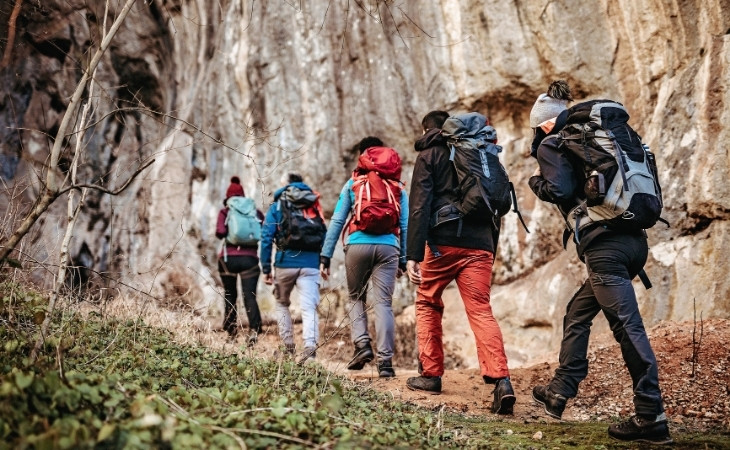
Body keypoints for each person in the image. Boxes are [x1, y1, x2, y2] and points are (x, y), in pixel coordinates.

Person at [527, 80, 672, 444]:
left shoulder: (553, 141)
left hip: (605, 248)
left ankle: (650, 415)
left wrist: (535, 183)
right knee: (578, 311)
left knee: (627, 327)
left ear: (546, 123)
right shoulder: (608, 136)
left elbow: (558, 190)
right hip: (633, 241)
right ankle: (560, 389)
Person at [405, 111, 516, 415]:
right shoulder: (480, 150)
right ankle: (501, 380)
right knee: (480, 309)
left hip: (443, 243)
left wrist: (412, 254)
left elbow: (419, 205)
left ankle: (430, 375)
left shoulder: (430, 154)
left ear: (428, 128)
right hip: (480, 244)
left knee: (428, 301)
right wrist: (488, 248)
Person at [319, 136, 408, 378]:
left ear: (363, 156)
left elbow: (337, 220)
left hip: (357, 246)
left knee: (356, 296)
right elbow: (405, 224)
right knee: (383, 304)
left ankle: (362, 345)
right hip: (389, 248)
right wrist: (404, 259)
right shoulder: (398, 187)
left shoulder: (353, 184)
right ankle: (386, 363)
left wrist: (325, 255)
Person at [260, 173, 327, 363]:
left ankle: (288, 347)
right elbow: (324, 234)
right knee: (309, 308)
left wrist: (266, 268)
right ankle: (310, 350)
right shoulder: (313, 203)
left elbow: (266, 237)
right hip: (311, 264)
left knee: (282, 303)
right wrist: (324, 261)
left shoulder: (278, 205)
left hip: (284, 263)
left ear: (287, 185)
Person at [215, 176, 263, 345]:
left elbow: (220, 232)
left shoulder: (226, 211)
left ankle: (232, 333)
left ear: (228, 197)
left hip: (228, 259)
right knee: (249, 295)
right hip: (250, 260)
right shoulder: (254, 211)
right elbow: (262, 230)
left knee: (230, 294)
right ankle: (254, 331)